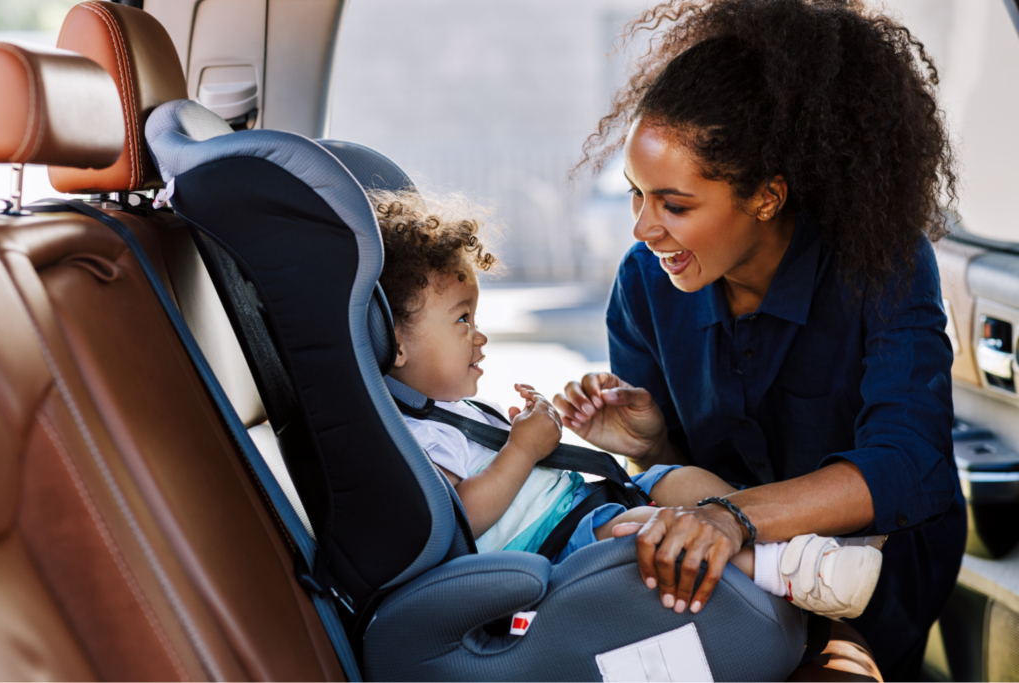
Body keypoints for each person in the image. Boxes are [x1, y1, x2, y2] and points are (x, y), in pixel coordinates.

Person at [553, 1, 966, 681]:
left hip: (868, 585)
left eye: (673, 204)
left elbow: (910, 463)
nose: (642, 229)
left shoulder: (882, 262)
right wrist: (652, 445)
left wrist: (732, 516)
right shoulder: (645, 285)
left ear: (768, 196)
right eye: (635, 194)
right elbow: (680, 488)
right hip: (727, 585)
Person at [373, 188, 882, 620]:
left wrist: (528, 433)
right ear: (394, 342)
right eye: (463, 320)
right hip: (552, 549)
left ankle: (793, 545)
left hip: (585, 507)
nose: (479, 337)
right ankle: (789, 574)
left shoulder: (452, 414)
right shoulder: (409, 437)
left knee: (677, 479)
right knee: (642, 530)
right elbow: (459, 518)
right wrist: (522, 451)